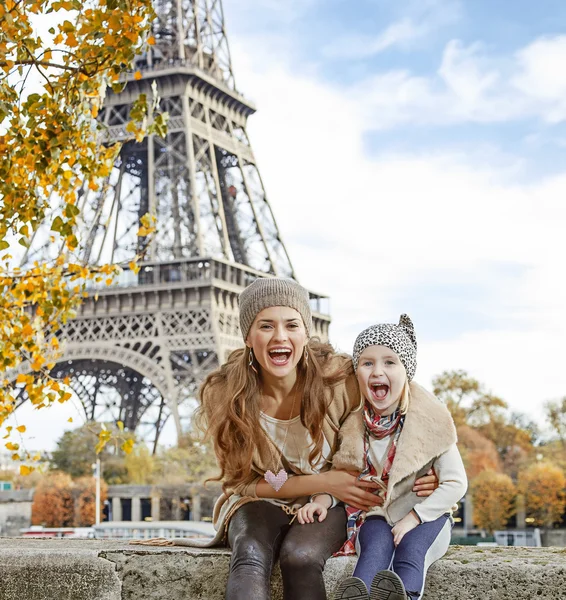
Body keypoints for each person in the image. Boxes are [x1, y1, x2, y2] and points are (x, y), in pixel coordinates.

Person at [195, 279, 438, 600]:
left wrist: (425, 468)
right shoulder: (227, 392)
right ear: (247, 336)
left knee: (301, 556)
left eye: (291, 325)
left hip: (332, 500)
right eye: (265, 325)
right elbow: (244, 481)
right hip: (264, 494)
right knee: (250, 552)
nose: (280, 336)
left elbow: (402, 407)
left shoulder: (339, 377)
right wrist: (318, 482)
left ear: (305, 333)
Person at [296, 314, 467, 600]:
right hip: (377, 514)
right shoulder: (353, 427)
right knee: (373, 550)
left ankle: (405, 596)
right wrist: (320, 501)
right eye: (367, 363)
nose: (377, 371)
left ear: (406, 370)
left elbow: (455, 484)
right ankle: (358, 595)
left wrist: (413, 517)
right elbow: (345, 480)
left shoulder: (432, 423)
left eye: (389, 362)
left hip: (427, 516)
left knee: (410, 553)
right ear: (357, 373)